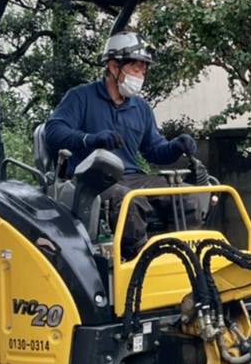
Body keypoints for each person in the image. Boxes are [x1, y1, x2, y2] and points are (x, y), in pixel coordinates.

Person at [42, 31, 201, 257]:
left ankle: (181, 257)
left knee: (188, 197)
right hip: (91, 179)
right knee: (130, 202)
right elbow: (53, 131)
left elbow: (154, 150)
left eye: (143, 71)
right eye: (136, 70)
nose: (141, 77)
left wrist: (175, 147)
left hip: (133, 177)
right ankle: (140, 261)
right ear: (114, 67)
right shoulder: (80, 97)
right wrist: (90, 140)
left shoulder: (141, 108)